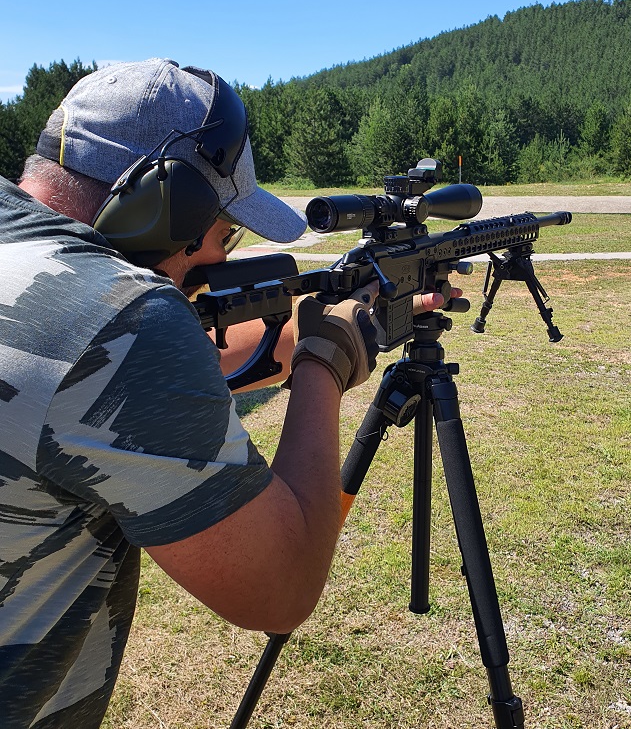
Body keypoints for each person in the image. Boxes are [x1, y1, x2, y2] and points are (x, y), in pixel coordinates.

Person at [0, 58, 453, 729]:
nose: (222, 259)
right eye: (225, 232)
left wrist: (316, 329)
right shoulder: (117, 317)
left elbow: (142, 392)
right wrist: (326, 363)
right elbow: (281, 589)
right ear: (164, 205)